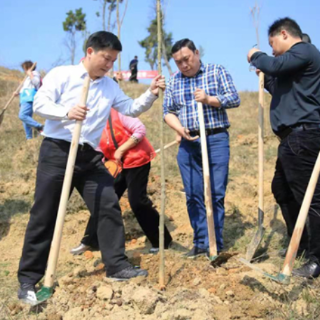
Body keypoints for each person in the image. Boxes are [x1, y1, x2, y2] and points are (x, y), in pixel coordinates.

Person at [17, 31, 165, 305]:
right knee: (44, 213)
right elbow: (39, 103)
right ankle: (28, 278)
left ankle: (117, 265)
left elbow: (130, 109)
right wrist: (67, 112)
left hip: (89, 156)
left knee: (108, 204)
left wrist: (151, 94)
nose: (108, 65)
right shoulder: (62, 75)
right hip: (58, 150)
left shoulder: (109, 87)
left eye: (113, 61)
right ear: (89, 52)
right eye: (106, 58)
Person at [247, 17, 320, 279]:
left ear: (284, 34)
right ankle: (298, 242)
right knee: (281, 188)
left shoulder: (305, 50)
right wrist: (264, 75)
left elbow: (275, 63)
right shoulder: (290, 68)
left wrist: (256, 55)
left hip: (304, 135)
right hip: (290, 140)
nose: (273, 49)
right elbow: (277, 86)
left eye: (272, 44)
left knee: (310, 199)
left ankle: (316, 257)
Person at [163, 39, 240, 258]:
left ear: (196, 53)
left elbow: (234, 98)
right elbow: (167, 111)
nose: (183, 65)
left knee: (214, 193)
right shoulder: (174, 81)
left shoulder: (216, 72)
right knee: (193, 194)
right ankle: (200, 242)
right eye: (178, 62)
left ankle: (215, 242)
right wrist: (179, 129)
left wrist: (208, 99)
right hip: (189, 142)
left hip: (215, 139)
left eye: (186, 59)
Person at [70, 108, 173, 255]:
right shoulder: (91, 121)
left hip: (137, 160)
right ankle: (90, 241)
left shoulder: (119, 111)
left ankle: (162, 241)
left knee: (137, 201)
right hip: (116, 164)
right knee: (103, 199)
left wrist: (121, 150)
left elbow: (140, 130)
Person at [15, 61, 43, 139]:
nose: (24, 70)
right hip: (24, 99)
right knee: (26, 120)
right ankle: (29, 138)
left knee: (22, 115)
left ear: (28, 67)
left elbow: (36, 82)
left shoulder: (34, 73)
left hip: (29, 98)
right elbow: (25, 89)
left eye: (24, 68)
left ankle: (40, 126)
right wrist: (17, 93)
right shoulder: (27, 77)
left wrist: (30, 74)